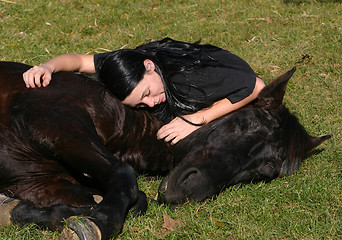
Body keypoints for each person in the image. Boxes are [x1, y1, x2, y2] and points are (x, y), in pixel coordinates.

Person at [23, 38, 265, 144]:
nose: (150, 103)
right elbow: (77, 60)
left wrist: (195, 120)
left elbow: (255, 85)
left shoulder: (189, 79)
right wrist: (47, 66)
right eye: (140, 103)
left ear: (149, 66)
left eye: (147, 93)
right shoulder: (129, 64)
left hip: (228, 75)